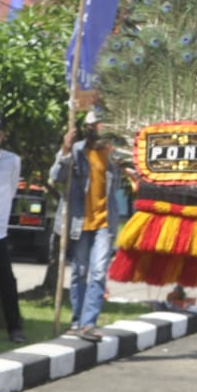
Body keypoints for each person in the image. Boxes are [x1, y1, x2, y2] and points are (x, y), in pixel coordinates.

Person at [48, 108, 128, 342]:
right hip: (79, 221)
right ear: (88, 129)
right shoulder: (76, 150)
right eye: (96, 126)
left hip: (104, 222)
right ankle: (77, 321)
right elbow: (56, 175)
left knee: (99, 271)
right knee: (80, 272)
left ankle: (88, 324)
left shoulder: (112, 155)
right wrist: (64, 149)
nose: (100, 130)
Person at [0, 114, 26, 344]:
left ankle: (15, 328)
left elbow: (12, 190)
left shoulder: (12, 161)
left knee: (7, 281)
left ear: (2, 136)